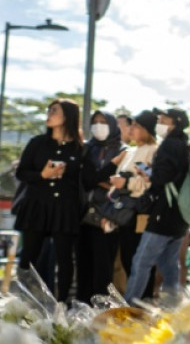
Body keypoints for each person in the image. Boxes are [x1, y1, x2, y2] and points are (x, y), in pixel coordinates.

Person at [14, 98, 84, 302]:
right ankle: (25, 301)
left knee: (64, 260)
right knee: (29, 255)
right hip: (37, 205)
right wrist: (42, 175)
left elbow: (86, 179)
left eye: (55, 111)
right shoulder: (37, 143)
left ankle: (62, 304)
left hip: (65, 209)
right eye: (49, 110)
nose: (49, 114)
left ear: (67, 116)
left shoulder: (79, 148)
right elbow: (21, 173)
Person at [124, 107, 190, 303]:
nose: (159, 122)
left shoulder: (170, 145)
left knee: (141, 261)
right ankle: (172, 307)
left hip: (164, 214)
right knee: (169, 264)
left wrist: (150, 175)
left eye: (164, 119)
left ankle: (129, 306)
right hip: (178, 215)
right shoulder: (183, 144)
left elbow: (163, 178)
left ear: (175, 123)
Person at [76, 110, 127, 304]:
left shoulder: (124, 150)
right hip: (83, 215)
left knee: (103, 268)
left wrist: (104, 182)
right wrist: (104, 181)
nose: (98, 126)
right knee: (83, 266)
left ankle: (100, 309)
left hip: (108, 217)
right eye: (95, 122)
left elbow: (122, 185)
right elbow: (86, 180)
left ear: (113, 125)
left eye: (103, 122)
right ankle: (81, 309)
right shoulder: (86, 149)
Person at [116, 110, 159, 297]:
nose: (131, 129)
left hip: (142, 212)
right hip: (123, 210)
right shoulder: (129, 152)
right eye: (130, 125)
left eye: (136, 126)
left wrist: (128, 183)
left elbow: (151, 181)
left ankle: (144, 302)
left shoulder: (155, 150)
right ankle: (134, 302)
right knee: (126, 258)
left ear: (147, 129)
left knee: (141, 260)